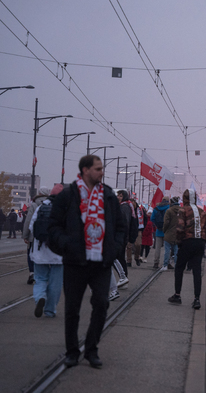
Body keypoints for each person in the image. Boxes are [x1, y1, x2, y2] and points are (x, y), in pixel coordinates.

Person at [48, 155, 126, 369]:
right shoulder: (68, 196)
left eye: (102, 168)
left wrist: (115, 249)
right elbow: (53, 226)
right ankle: (72, 351)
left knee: (102, 304)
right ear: (85, 170)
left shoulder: (108, 196)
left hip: (101, 262)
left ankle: (91, 349)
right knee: (72, 309)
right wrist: (66, 244)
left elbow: (121, 227)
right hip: (75, 262)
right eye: (97, 168)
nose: (101, 172)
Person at [167, 189, 206, 309]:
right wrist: (202, 242)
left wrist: (179, 242)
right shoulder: (202, 212)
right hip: (199, 242)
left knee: (179, 267)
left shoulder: (182, 210)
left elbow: (179, 228)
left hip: (187, 242)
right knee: (197, 271)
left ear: (185, 199)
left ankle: (177, 295)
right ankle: (196, 299)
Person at [30, 184, 64, 318]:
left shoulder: (41, 207)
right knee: (56, 283)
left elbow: (33, 228)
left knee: (40, 279)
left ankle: (40, 298)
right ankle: (50, 310)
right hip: (58, 253)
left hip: (41, 251)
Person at [23, 187, 51, 284]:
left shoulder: (34, 204)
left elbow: (28, 220)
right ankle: (45, 274)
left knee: (30, 253)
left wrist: (25, 235)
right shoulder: (52, 204)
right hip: (48, 235)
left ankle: (32, 272)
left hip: (33, 234)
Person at [161, 196, 180, 271]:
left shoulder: (169, 211)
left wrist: (164, 230)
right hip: (178, 234)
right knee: (176, 251)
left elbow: (166, 223)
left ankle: (165, 265)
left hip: (169, 233)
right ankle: (177, 265)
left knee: (167, 250)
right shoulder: (181, 211)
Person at [151, 196, 169, 269]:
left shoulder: (156, 208)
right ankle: (167, 263)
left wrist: (157, 224)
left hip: (158, 231)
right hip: (167, 231)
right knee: (167, 248)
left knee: (157, 248)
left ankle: (156, 262)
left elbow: (152, 218)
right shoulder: (168, 208)